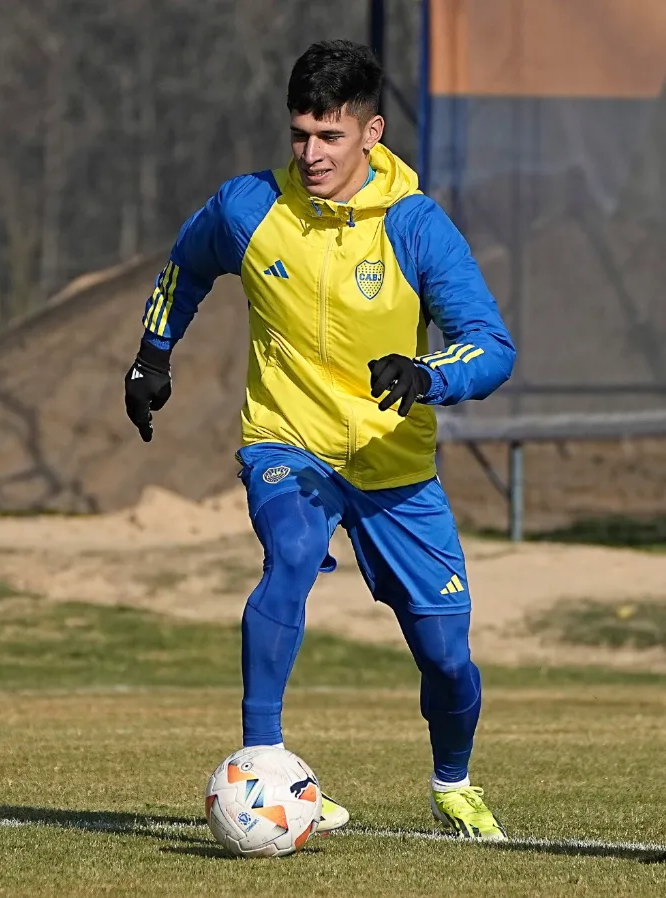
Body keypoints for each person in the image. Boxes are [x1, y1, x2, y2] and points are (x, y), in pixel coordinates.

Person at [124, 39, 515, 841]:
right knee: (293, 552)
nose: (310, 153)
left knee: (448, 661)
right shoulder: (248, 208)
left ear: (372, 133)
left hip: (394, 465)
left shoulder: (416, 227)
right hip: (287, 441)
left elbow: (491, 343)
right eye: (300, 133)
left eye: (330, 136)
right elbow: (185, 264)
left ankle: (454, 783)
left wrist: (427, 374)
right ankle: (264, 764)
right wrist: (152, 355)